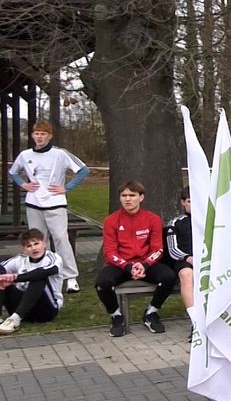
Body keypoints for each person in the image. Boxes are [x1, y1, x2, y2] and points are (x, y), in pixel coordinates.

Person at [7, 120, 90, 293]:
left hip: (55, 203)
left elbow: (83, 170)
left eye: (43, 134)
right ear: (32, 135)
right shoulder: (25, 154)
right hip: (33, 203)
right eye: (37, 134)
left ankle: (70, 277)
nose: (39, 137)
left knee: (61, 239)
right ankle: (40, 275)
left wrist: (67, 187)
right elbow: (12, 172)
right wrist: (23, 184)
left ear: (49, 136)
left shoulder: (60, 154)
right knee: (37, 241)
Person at [95, 180, 176, 337]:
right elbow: (109, 251)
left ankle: (151, 312)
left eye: (132, 195)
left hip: (147, 263)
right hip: (122, 265)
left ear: (141, 197)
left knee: (169, 277)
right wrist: (127, 266)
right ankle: (116, 316)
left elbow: (158, 249)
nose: (127, 199)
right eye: (124, 195)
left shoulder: (153, 219)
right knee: (102, 283)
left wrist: (145, 265)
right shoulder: (111, 220)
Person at [0, 228, 64, 334]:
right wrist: (4, 278)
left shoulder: (53, 258)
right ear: (24, 249)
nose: (34, 248)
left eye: (36, 243)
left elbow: (45, 271)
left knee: (38, 278)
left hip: (46, 310)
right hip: (21, 307)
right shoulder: (20, 259)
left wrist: (15, 277)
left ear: (44, 244)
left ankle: (14, 320)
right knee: (2, 280)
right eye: (29, 246)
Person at [165, 186, 195, 307]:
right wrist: (189, 258)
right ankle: (195, 317)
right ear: (183, 202)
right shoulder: (175, 223)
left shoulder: (211, 222)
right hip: (184, 260)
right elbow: (172, 249)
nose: (193, 205)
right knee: (186, 274)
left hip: (208, 259)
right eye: (189, 201)